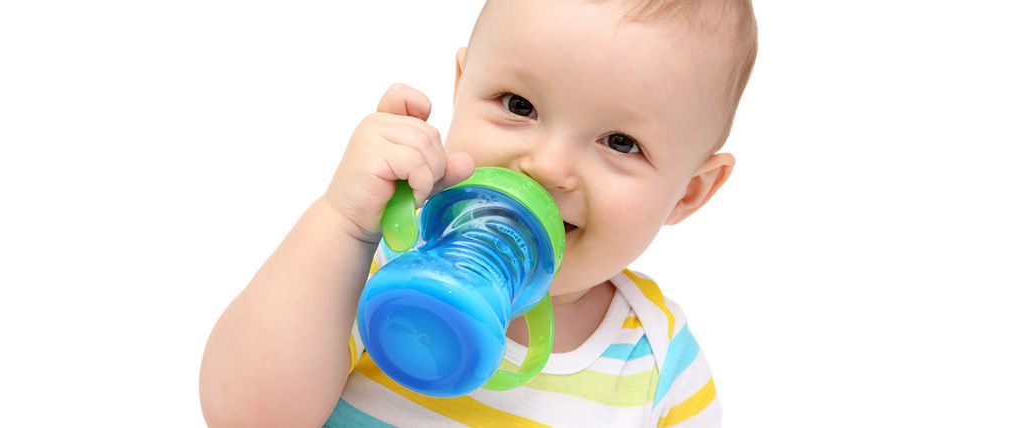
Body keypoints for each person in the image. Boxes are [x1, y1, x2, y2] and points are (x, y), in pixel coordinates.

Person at [200, 0, 757, 426]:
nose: (546, 165)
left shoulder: (660, 361)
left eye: (619, 142)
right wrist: (342, 225)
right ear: (462, 88)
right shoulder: (377, 267)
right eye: (520, 106)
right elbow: (248, 415)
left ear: (689, 193)